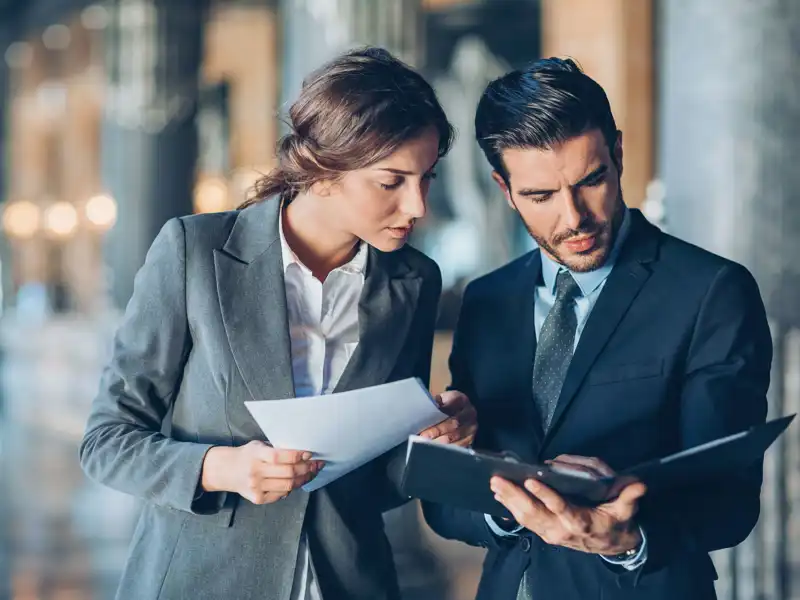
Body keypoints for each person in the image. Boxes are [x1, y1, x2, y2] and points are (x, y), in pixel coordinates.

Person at [79, 47, 477, 600]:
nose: (418, 206)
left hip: (349, 582)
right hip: (201, 582)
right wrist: (218, 469)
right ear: (323, 170)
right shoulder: (195, 253)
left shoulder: (413, 281)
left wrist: (433, 443)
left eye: (427, 178)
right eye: (392, 182)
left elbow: (378, 484)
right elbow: (106, 442)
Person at [422, 57, 772, 600]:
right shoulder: (487, 300)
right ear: (504, 188)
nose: (574, 217)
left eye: (591, 180)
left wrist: (625, 539)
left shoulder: (711, 291)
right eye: (540, 196)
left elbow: (729, 502)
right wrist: (509, 510)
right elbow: (447, 507)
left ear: (619, 155)